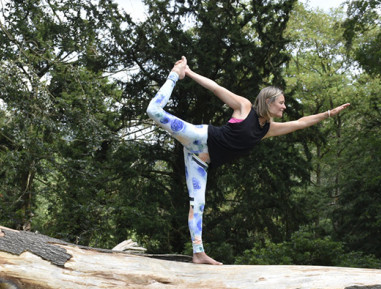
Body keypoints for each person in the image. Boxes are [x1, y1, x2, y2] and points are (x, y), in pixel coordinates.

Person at [147, 56, 350, 265]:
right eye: (281, 102)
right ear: (268, 102)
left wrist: (327, 114)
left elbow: (299, 123)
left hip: (199, 161)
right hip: (199, 137)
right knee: (153, 111)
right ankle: (174, 74)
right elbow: (216, 88)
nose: (284, 107)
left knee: (197, 204)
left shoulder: (267, 130)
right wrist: (186, 73)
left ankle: (198, 253)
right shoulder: (244, 107)